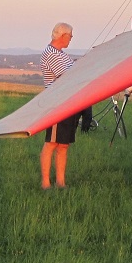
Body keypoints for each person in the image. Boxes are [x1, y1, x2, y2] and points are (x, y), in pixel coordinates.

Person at [39, 22, 82, 189]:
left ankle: (61, 183)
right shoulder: (51, 54)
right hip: (57, 104)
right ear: (62, 35)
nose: (71, 39)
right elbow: (68, 76)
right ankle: (45, 183)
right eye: (70, 36)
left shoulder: (61, 54)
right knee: (52, 143)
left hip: (68, 103)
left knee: (64, 145)